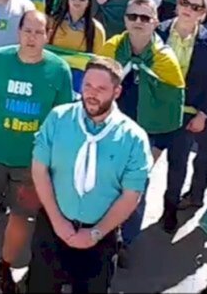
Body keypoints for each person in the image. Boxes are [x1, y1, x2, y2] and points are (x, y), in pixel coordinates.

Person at [0, 11, 73, 294]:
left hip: (32, 163)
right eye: (28, 31)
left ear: (47, 35)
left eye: (39, 32)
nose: (32, 37)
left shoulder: (59, 70)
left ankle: (5, 268)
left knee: (22, 216)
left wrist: (51, 161)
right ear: (18, 31)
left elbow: (61, 121)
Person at [26, 58, 151, 292]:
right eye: (87, 86)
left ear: (117, 91)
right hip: (53, 227)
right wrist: (57, 221)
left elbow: (131, 195)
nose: (91, 94)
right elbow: (39, 168)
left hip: (100, 237)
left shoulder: (134, 138)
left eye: (101, 89)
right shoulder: (58, 118)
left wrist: (96, 233)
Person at [100, 0, 184, 262]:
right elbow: (95, 89)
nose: (138, 22)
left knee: (134, 190)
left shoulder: (165, 60)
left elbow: (171, 107)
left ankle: (125, 241)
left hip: (145, 136)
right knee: (102, 185)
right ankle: (101, 237)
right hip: (108, 129)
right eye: (133, 16)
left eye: (145, 17)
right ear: (125, 19)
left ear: (155, 22)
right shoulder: (111, 49)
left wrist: (157, 148)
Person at [157, 0, 207, 233]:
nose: (189, 10)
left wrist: (203, 114)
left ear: (203, 13)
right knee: (140, 164)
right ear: (178, 3)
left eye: (197, 7)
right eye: (185, 3)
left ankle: (169, 209)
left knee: (177, 165)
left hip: (186, 113)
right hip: (154, 111)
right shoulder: (158, 32)